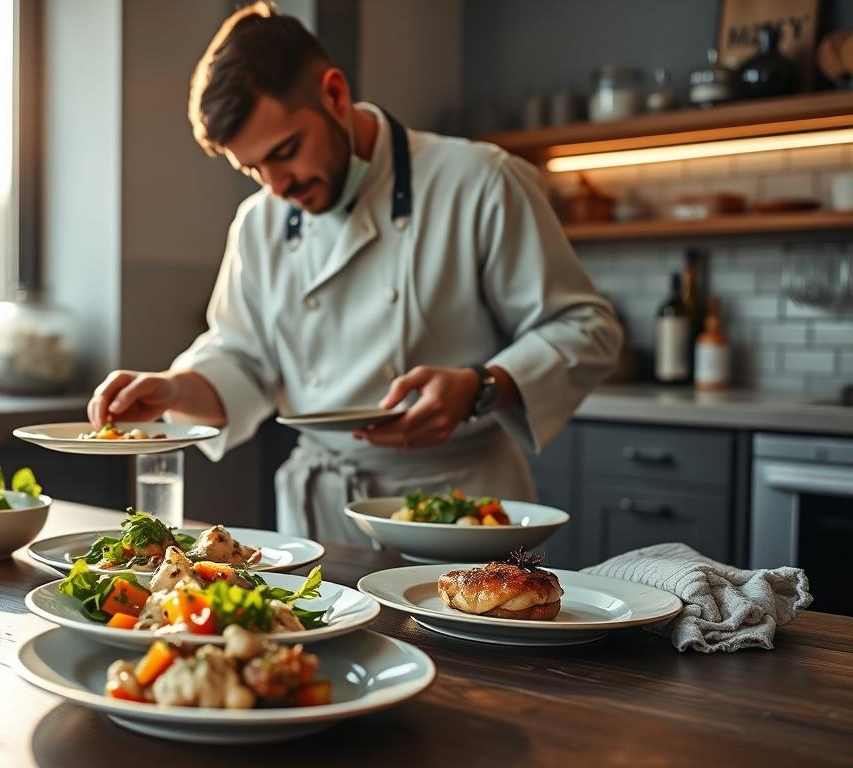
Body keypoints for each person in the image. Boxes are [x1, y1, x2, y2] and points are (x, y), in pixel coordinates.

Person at [87, 3, 623, 546]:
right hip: (320, 516)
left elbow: (586, 328)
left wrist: (481, 387)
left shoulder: (480, 181)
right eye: (253, 170)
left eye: (286, 152)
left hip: (456, 510)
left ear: (335, 95)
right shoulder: (260, 221)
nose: (277, 187)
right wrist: (173, 388)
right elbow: (242, 361)